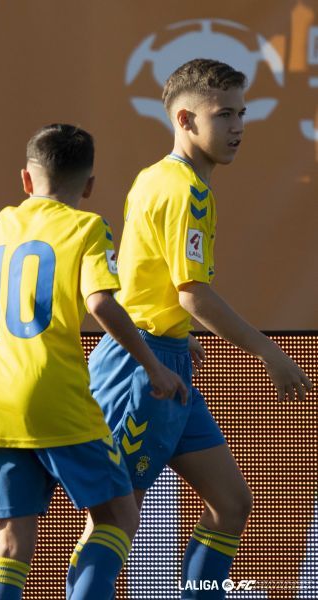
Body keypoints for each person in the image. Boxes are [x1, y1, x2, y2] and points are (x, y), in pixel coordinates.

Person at [82, 58, 313, 599]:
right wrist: (267, 352)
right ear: (185, 120)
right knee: (115, 517)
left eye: (242, 113)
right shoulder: (184, 188)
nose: (237, 127)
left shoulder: (162, 177)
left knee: (230, 502)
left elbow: (151, 279)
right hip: (139, 370)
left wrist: (174, 332)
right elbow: (192, 292)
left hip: (167, 360)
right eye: (223, 114)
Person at [0, 124, 186, 599]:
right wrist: (154, 365)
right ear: (89, 185)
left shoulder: (4, 222)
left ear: (25, 180)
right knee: (118, 515)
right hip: (55, 394)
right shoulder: (88, 226)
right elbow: (101, 303)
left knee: (9, 542)